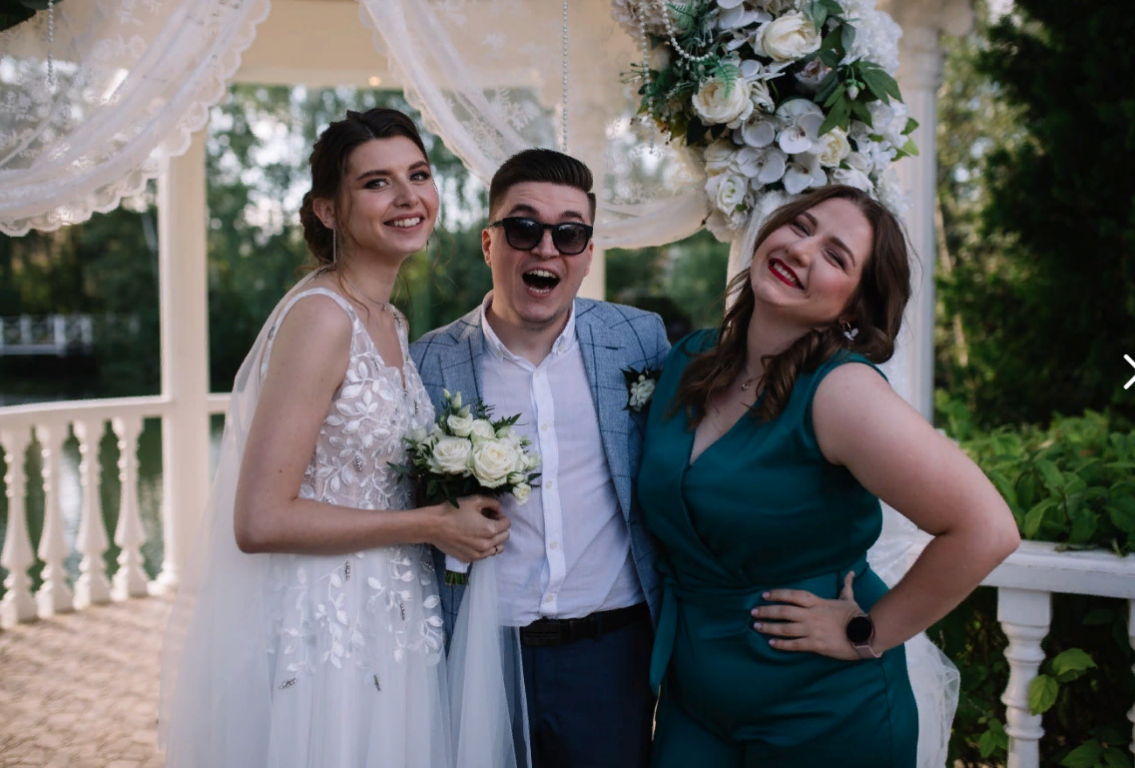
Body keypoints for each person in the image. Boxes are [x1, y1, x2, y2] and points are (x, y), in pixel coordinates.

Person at [158, 108, 512, 768]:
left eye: (418, 175)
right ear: (327, 210)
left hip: (395, 620)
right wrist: (432, 523)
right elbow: (260, 520)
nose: (408, 197)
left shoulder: (389, 320)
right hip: (329, 628)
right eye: (377, 183)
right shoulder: (322, 319)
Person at [637, 185, 1020, 767]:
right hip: (694, 702)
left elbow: (987, 529)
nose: (802, 249)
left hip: (823, 711)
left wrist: (866, 632)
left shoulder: (842, 392)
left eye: (836, 256)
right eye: (800, 226)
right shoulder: (691, 359)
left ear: (852, 310)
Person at [411, 148, 670, 768]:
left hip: (612, 654)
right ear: (489, 243)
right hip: (480, 655)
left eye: (569, 233)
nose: (546, 248)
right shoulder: (425, 363)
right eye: (524, 228)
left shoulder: (640, 339)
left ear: (588, 252)